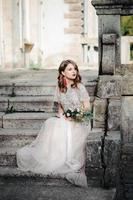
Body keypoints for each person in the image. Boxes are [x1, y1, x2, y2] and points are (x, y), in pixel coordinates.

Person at [16, 59, 91, 187]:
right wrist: (63, 117)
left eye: (75, 69)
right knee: (51, 123)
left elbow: (87, 108)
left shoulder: (80, 87)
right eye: (70, 69)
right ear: (63, 72)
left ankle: (68, 160)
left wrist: (75, 116)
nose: (74, 72)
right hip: (67, 119)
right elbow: (61, 109)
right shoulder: (60, 88)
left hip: (80, 121)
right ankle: (53, 158)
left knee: (67, 128)